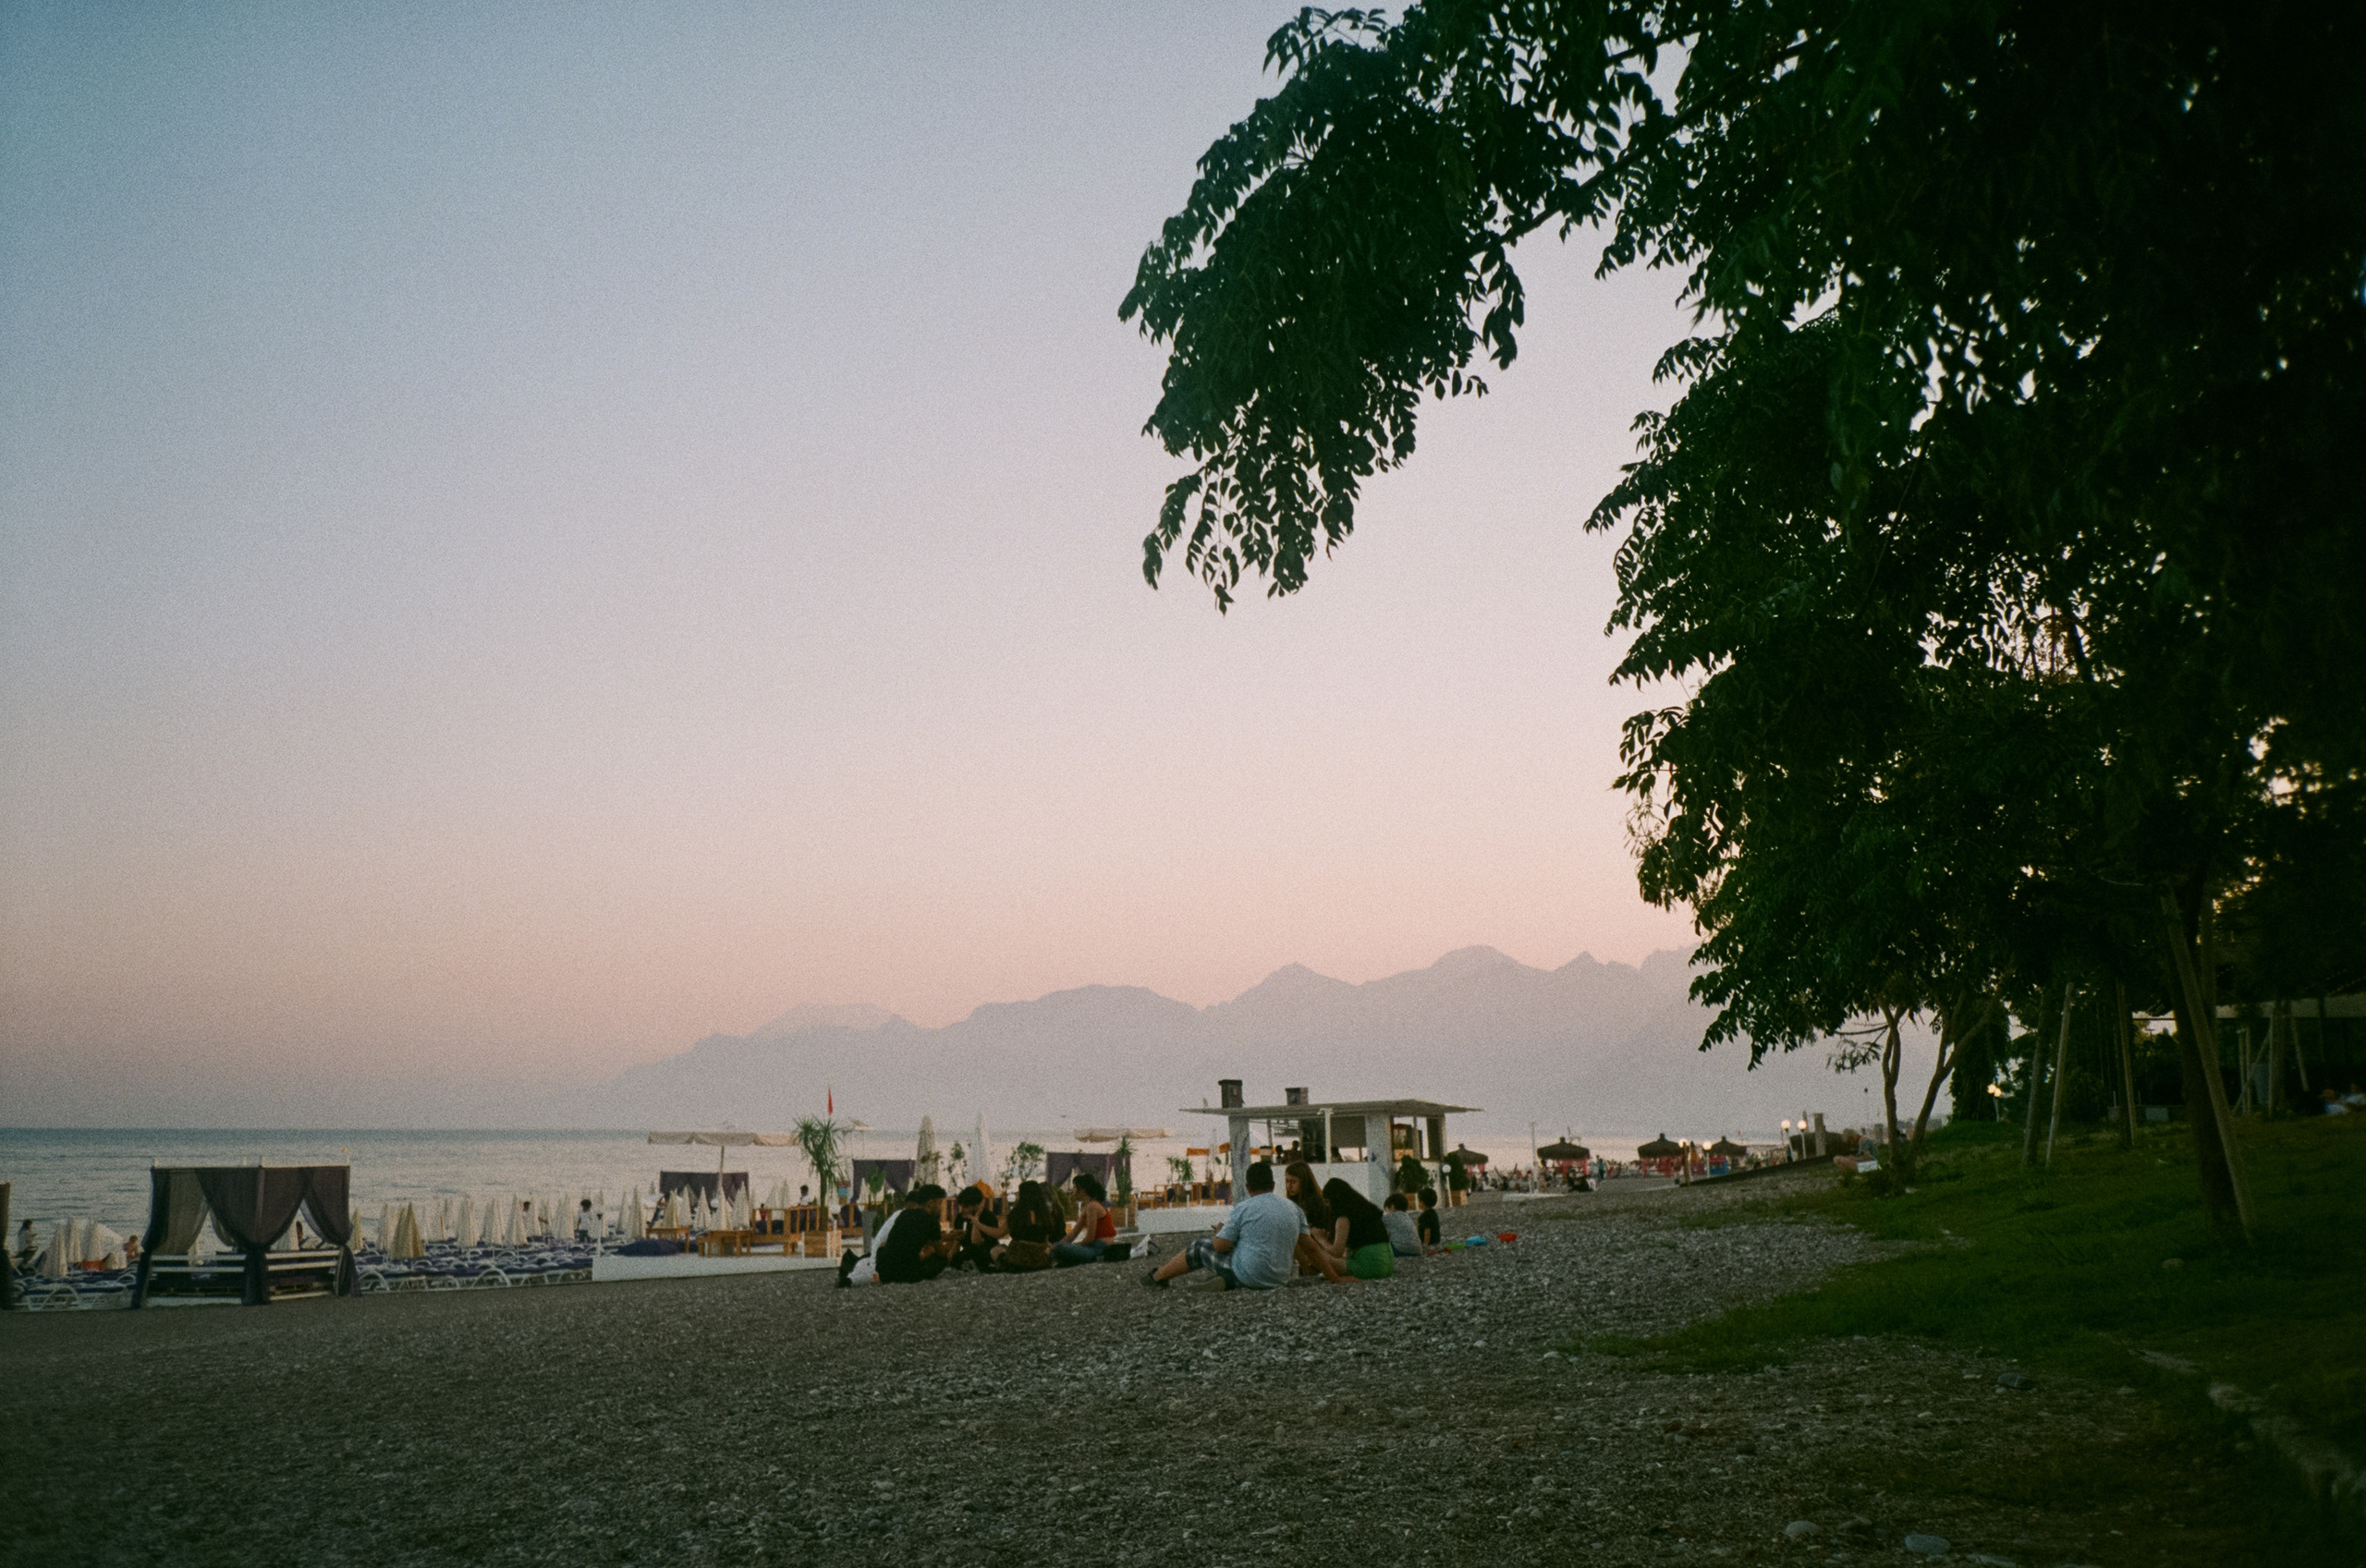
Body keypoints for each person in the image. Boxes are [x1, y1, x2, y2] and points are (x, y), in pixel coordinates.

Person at [1144, 1161, 1302, 1290]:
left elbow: (1219, 1246)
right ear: (1273, 1185)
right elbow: (1311, 1248)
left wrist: (1219, 1234)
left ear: (1248, 1188)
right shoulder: (1292, 1208)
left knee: (1199, 1246)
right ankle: (1224, 1282)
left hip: (1252, 1277)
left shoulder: (1244, 1208)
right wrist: (1328, 1276)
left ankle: (1158, 1277)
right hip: (1280, 1279)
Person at [1319, 1179, 1396, 1279]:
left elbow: (1336, 1252)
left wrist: (1320, 1238)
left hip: (1370, 1268)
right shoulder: (1365, 1211)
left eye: (1328, 1202)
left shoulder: (1343, 1218)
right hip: (1387, 1267)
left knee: (1318, 1255)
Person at [1055, 1173, 1117, 1266]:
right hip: (1092, 1247)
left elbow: (1090, 1238)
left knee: (1060, 1249)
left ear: (1082, 1190)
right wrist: (1054, 1246)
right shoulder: (1087, 1208)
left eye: (1075, 1187)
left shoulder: (1093, 1206)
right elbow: (1072, 1235)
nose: (1072, 1190)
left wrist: (1074, 1246)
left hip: (1100, 1249)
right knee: (1058, 1247)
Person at [998, 1180, 1062, 1271]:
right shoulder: (1044, 1214)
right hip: (1039, 1263)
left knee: (997, 1250)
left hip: (1016, 1262)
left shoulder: (1016, 1214)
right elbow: (1045, 1242)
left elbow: (999, 1233)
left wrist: (977, 1223)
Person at [949, 1185, 1004, 1270]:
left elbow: (977, 1242)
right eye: (961, 1207)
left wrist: (976, 1219)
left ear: (976, 1206)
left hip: (985, 1252)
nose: (962, 1210)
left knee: (974, 1250)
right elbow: (957, 1244)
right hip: (968, 1251)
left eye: (965, 1207)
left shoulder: (988, 1217)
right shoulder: (960, 1218)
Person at [1381, 1192, 1422, 1258]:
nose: (1387, 1213)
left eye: (1387, 1210)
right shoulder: (1407, 1217)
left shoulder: (1390, 1216)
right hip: (1417, 1251)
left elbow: (1376, 1224)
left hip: (1400, 1250)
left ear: (1392, 1207)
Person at [1415, 1187, 1442, 1251]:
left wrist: (1425, 1245)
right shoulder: (1434, 1213)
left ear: (1422, 1202)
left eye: (1419, 1201)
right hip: (1436, 1243)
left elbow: (1427, 1232)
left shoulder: (1424, 1216)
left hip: (1429, 1244)